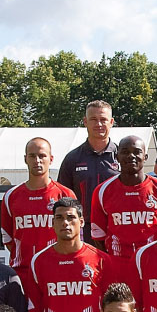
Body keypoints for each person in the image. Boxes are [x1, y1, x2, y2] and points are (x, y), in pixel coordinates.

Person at [90, 134, 157, 259]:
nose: (131, 156)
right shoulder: (102, 191)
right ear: (117, 157)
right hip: (118, 262)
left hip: (154, 261)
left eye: (137, 152)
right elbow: (98, 236)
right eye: (125, 152)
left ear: (145, 157)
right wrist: (109, 262)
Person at [1, 136, 75, 275]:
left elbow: (74, 237)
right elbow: (9, 240)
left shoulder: (65, 194)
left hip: (56, 270)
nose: (37, 160)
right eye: (32, 156)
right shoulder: (11, 196)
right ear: (25, 159)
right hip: (22, 272)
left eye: (42, 156)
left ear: (51, 159)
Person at [57, 99, 119, 236]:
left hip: (115, 227)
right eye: (93, 119)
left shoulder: (122, 157)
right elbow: (62, 198)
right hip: (83, 229)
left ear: (111, 122)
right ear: (85, 121)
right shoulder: (72, 159)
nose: (99, 124)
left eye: (103, 119)